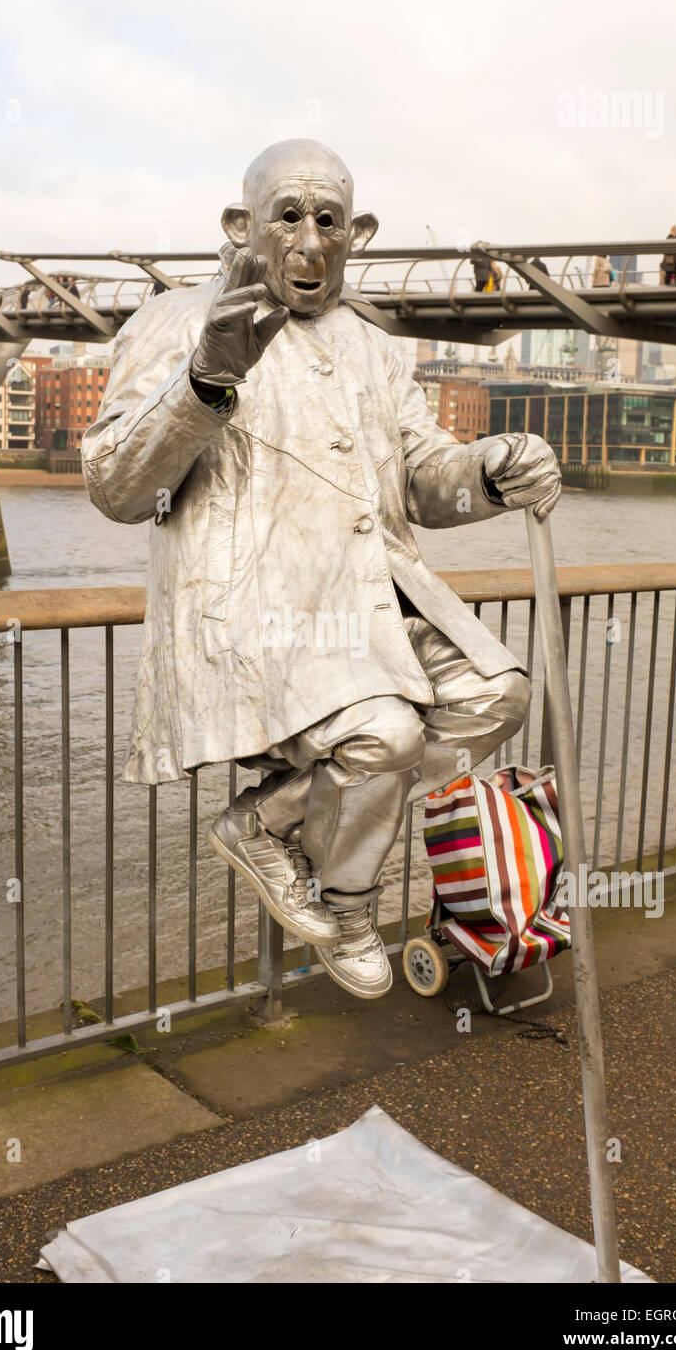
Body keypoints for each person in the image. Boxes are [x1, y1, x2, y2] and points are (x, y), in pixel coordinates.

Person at [82, 140, 560, 1000]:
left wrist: (490, 469)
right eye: (287, 217)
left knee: (499, 693)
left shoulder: (375, 348)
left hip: (371, 601)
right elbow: (115, 486)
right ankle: (348, 905)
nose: (309, 241)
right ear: (241, 226)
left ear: (358, 233)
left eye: (329, 220)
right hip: (253, 615)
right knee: (389, 734)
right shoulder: (172, 322)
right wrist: (206, 380)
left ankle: (265, 821)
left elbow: (421, 477)